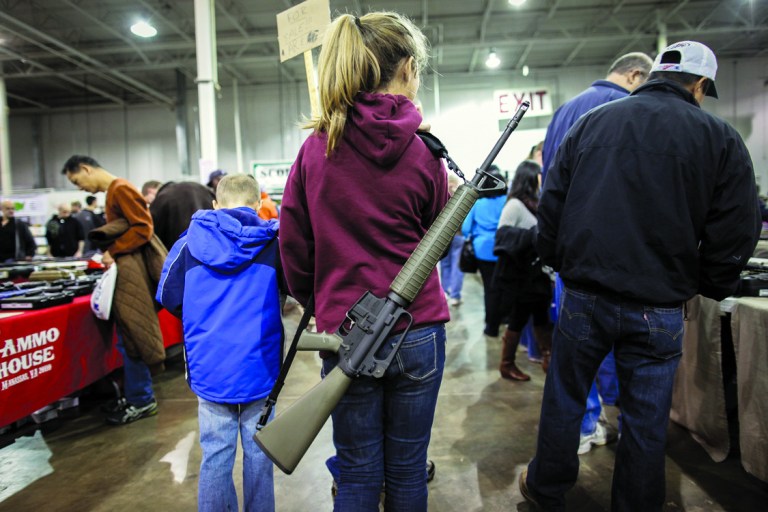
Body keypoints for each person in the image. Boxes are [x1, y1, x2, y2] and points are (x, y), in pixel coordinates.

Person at [520, 41, 762, 512]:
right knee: (646, 418)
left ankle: (545, 492)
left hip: (585, 293)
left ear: (653, 76)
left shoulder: (593, 122)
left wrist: (558, 261)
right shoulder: (719, 137)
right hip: (659, 303)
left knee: (565, 398)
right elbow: (736, 225)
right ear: (698, 85)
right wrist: (710, 284)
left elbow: (552, 201)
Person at [279, 12, 449, 511]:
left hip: (345, 330)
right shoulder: (425, 152)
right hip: (417, 330)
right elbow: (435, 234)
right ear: (409, 69)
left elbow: (294, 249)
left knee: (355, 472)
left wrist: (327, 302)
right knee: (407, 469)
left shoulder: (314, 150)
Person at [542, 50, 654, 454]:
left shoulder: (565, 110)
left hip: (569, 254)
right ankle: (619, 422)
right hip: (618, 255)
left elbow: (549, 184)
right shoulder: (628, 107)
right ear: (636, 75)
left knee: (576, 352)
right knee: (624, 345)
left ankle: (585, 426)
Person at [156, 174, 282, 512]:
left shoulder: (188, 243)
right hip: (261, 364)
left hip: (209, 367)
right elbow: (296, 287)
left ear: (215, 204)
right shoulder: (273, 242)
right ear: (258, 204)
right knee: (259, 454)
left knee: (215, 456)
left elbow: (168, 296)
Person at [62, 155, 165, 425]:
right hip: (128, 271)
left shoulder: (120, 189)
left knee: (133, 335)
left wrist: (113, 251)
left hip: (131, 273)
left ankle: (141, 399)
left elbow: (143, 228)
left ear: (86, 169)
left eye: (77, 180)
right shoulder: (116, 191)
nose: (79, 188)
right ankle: (137, 396)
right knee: (129, 337)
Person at [493, 160, 551, 382]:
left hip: (536, 276)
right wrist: (533, 235)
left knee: (540, 318)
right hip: (520, 277)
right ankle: (507, 364)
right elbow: (502, 238)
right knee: (519, 319)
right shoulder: (515, 205)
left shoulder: (534, 204)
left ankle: (548, 358)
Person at [461, 164, 507, 337]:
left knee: (490, 288)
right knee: (505, 286)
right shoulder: (508, 200)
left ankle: (491, 326)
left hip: (483, 250)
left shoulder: (478, 204)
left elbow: (466, 229)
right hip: (504, 249)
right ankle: (505, 319)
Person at [149, 181, 216, 250]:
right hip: (210, 251)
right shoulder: (204, 190)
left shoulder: (162, 198)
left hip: (176, 253)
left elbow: (153, 233)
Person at [439, 174, 464, 307]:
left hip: (443, 237)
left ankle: (445, 293)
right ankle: (455, 296)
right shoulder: (460, 197)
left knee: (445, 265)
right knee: (457, 266)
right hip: (458, 235)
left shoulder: (440, 196)